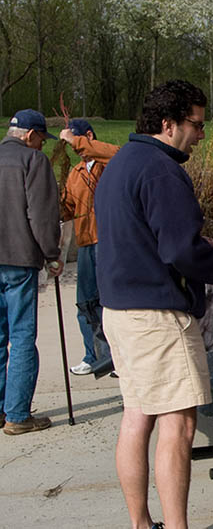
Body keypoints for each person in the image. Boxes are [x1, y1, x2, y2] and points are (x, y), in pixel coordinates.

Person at [94, 80, 213, 529]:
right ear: (167, 123)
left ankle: (141, 523)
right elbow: (179, 249)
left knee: (137, 417)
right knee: (178, 427)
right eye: (196, 125)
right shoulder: (161, 170)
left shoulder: (121, 163)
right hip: (157, 314)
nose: (201, 135)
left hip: (119, 309)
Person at [0, 109, 63, 435]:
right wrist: (52, 254)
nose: (41, 145)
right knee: (22, 336)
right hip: (19, 257)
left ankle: (1, 409)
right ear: (29, 135)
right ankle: (17, 415)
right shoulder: (33, 162)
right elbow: (41, 214)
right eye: (41, 138)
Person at [59, 119, 120, 375]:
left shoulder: (110, 164)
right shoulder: (76, 172)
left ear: (88, 136)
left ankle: (115, 357)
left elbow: (117, 154)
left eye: (76, 140)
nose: (74, 147)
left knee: (111, 304)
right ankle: (92, 355)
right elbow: (69, 208)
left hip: (109, 242)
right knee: (85, 303)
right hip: (85, 243)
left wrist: (79, 141)